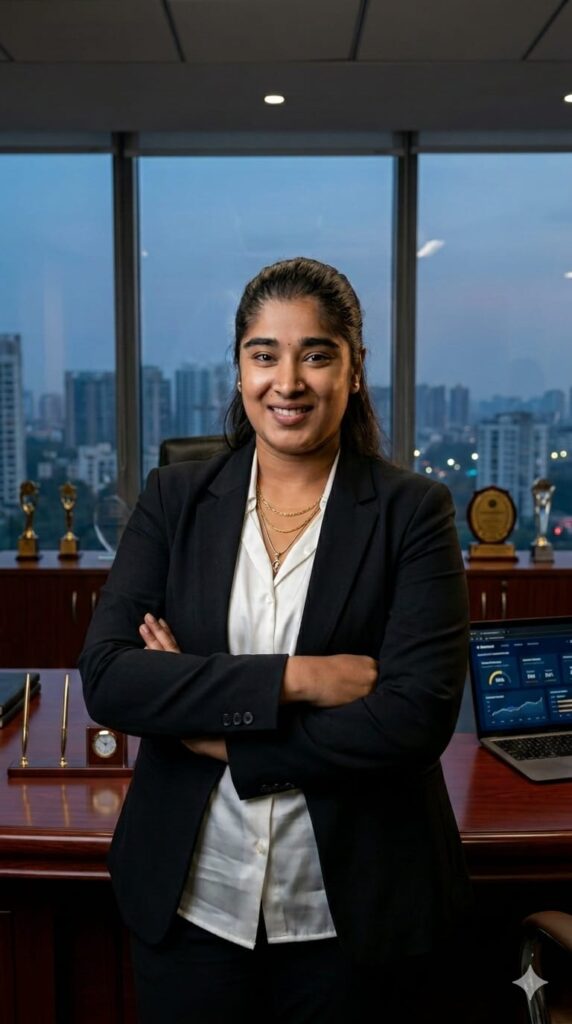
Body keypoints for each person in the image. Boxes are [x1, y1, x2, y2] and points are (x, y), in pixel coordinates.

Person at [79, 256, 474, 1023]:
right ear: (239, 370)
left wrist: (217, 734)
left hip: (350, 918)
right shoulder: (174, 499)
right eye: (265, 354)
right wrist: (300, 679)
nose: (287, 382)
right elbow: (110, 677)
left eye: (316, 355)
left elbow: (413, 719)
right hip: (192, 908)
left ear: (353, 370)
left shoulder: (414, 513)